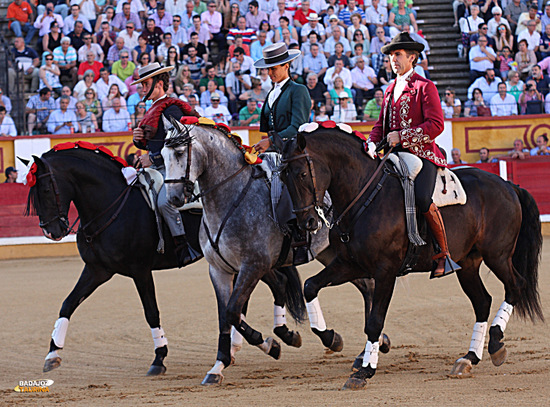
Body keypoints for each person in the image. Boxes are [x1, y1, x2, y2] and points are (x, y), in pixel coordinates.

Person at [365, 32, 460, 278]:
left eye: (397, 55)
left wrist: (404, 137)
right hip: (394, 156)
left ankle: (443, 254)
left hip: (424, 154)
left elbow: (436, 125)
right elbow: (381, 125)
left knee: (421, 197)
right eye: (390, 56)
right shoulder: (389, 89)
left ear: (412, 57)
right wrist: (372, 141)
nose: (392, 59)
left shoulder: (424, 87)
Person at [132, 63, 201, 267]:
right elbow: (157, 141)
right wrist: (139, 140)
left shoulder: (170, 109)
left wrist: (153, 159)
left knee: (164, 202)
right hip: (158, 167)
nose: (142, 89)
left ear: (159, 84)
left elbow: (180, 145)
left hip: (173, 168)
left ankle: (184, 247)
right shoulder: (155, 108)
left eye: (145, 84)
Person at [252, 42, 311, 265]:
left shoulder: (299, 91)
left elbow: (297, 126)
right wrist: (267, 143)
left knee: (290, 185)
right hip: (274, 151)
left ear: (287, 65)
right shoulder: (271, 94)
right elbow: (268, 127)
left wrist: (272, 142)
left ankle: (300, 239)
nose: (269, 73)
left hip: (294, 151)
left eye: (273, 68)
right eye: (268, 69)